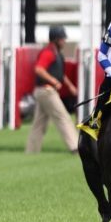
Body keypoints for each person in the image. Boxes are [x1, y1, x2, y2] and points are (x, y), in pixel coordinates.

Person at [28, 25, 79, 153]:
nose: (64, 41)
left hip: (43, 91)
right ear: (56, 39)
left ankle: (31, 151)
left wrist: (70, 86)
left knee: (39, 124)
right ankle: (75, 146)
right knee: (63, 117)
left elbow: (60, 74)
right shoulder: (48, 53)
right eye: (62, 39)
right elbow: (38, 69)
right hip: (46, 91)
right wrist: (53, 81)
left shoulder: (56, 54)